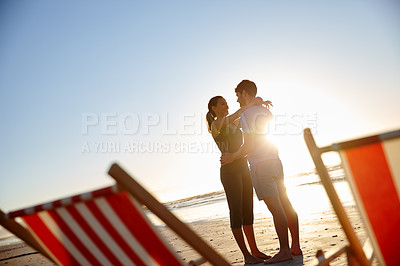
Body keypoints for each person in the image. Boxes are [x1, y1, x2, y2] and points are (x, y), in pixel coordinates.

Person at [221, 80, 302, 264]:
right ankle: (295, 246)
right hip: (275, 160)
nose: (236, 100)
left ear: (243, 93)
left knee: (276, 208)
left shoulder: (247, 114)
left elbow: (249, 144)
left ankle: (284, 251)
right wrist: (256, 103)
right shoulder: (264, 111)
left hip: (260, 165)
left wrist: (233, 157)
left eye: (237, 96)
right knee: (286, 203)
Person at [206, 95, 272, 264]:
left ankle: (255, 251)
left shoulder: (234, 123)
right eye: (222, 103)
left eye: (226, 102)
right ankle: (247, 256)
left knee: (247, 211)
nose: (226, 104)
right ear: (214, 108)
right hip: (229, 171)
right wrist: (251, 103)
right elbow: (236, 114)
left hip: (243, 168)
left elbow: (244, 123)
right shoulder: (216, 125)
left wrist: (257, 105)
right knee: (236, 213)